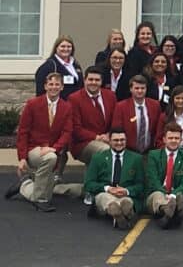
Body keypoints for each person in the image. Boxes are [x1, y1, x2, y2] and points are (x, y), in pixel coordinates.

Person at [8, 71, 72, 212]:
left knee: (46, 192)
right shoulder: (33, 104)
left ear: (62, 87)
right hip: (33, 149)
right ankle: (40, 200)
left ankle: (25, 185)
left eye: (57, 84)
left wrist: (55, 148)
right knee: (50, 158)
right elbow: (23, 132)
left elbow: (67, 132)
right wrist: (22, 158)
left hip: (52, 150)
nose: (54, 87)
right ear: (45, 86)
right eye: (51, 84)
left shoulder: (66, 107)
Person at [83, 126, 143, 228]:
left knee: (126, 201)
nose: (119, 143)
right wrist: (107, 188)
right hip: (105, 194)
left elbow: (141, 185)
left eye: (122, 140)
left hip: (126, 195)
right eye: (116, 140)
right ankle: (119, 211)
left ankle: (119, 213)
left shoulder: (136, 159)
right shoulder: (98, 158)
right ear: (109, 141)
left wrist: (127, 191)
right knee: (106, 198)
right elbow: (88, 184)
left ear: (126, 140)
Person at [143, 122, 183, 228]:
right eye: (170, 138)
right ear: (164, 139)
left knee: (180, 195)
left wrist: (173, 195)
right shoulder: (153, 155)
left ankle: (171, 212)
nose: (173, 140)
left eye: (177, 138)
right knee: (158, 195)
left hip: (175, 193)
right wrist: (166, 195)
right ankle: (167, 209)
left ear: (181, 140)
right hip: (157, 193)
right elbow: (153, 180)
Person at [69, 65, 115, 165]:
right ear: (84, 80)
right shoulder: (74, 99)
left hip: (108, 138)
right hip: (83, 143)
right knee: (105, 150)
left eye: (97, 80)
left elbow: (115, 120)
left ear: (101, 81)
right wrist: (97, 137)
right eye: (90, 79)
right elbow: (75, 129)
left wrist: (109, 135)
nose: (93, 82)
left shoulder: (110, 96)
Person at [113, 75, 162, 154]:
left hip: (150, 151)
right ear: (131, 89)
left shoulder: (155, 105)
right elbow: (116, 129)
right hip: (128, 151)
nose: (140, 91)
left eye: (142, 88)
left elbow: (158, 129)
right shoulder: (121, 107)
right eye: (137, 88)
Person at [34, 34, 83, 99]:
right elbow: (40, 91)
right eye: (62, 46)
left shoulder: (76, 65)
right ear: (56, 48)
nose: (66, 49)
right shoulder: (49, 66)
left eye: (69, 46)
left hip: (76, 103)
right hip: (59, 103)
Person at [156, 86, 183, 154]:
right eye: (177, 98)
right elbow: (159, 140)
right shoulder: (164, 117)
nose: (180, 101)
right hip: (168, 154)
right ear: (172, 99)